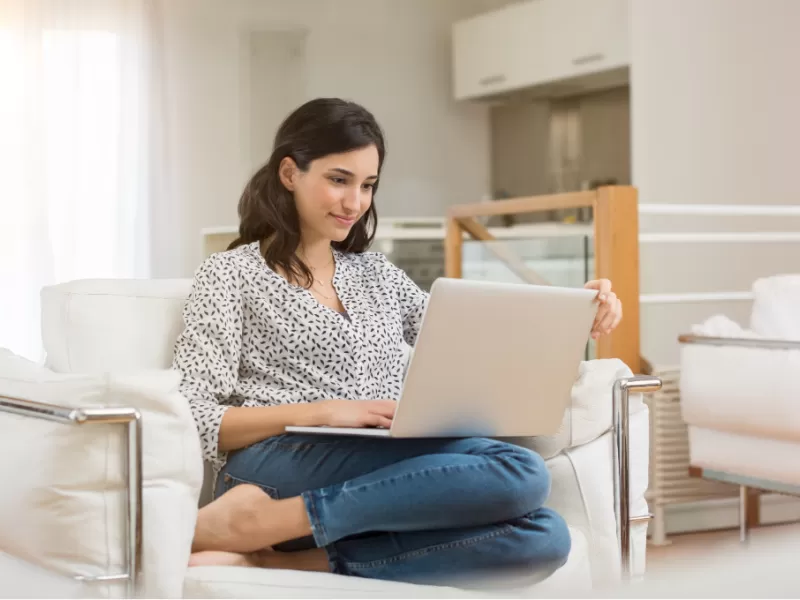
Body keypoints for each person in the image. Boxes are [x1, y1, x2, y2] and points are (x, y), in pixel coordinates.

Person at [173, 98, 623, 587]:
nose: (355, 203)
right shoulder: (230, 273)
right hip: (279, 463)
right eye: (338, 179)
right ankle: (265, 517)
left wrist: (577, 313)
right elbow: (193, 415)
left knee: (544, 537)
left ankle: (275, 554)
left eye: (368, 185)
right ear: (289, 173)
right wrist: (319, 412)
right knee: (521, 471)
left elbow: (476, 340)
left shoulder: (377, 274)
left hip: (386, 460)